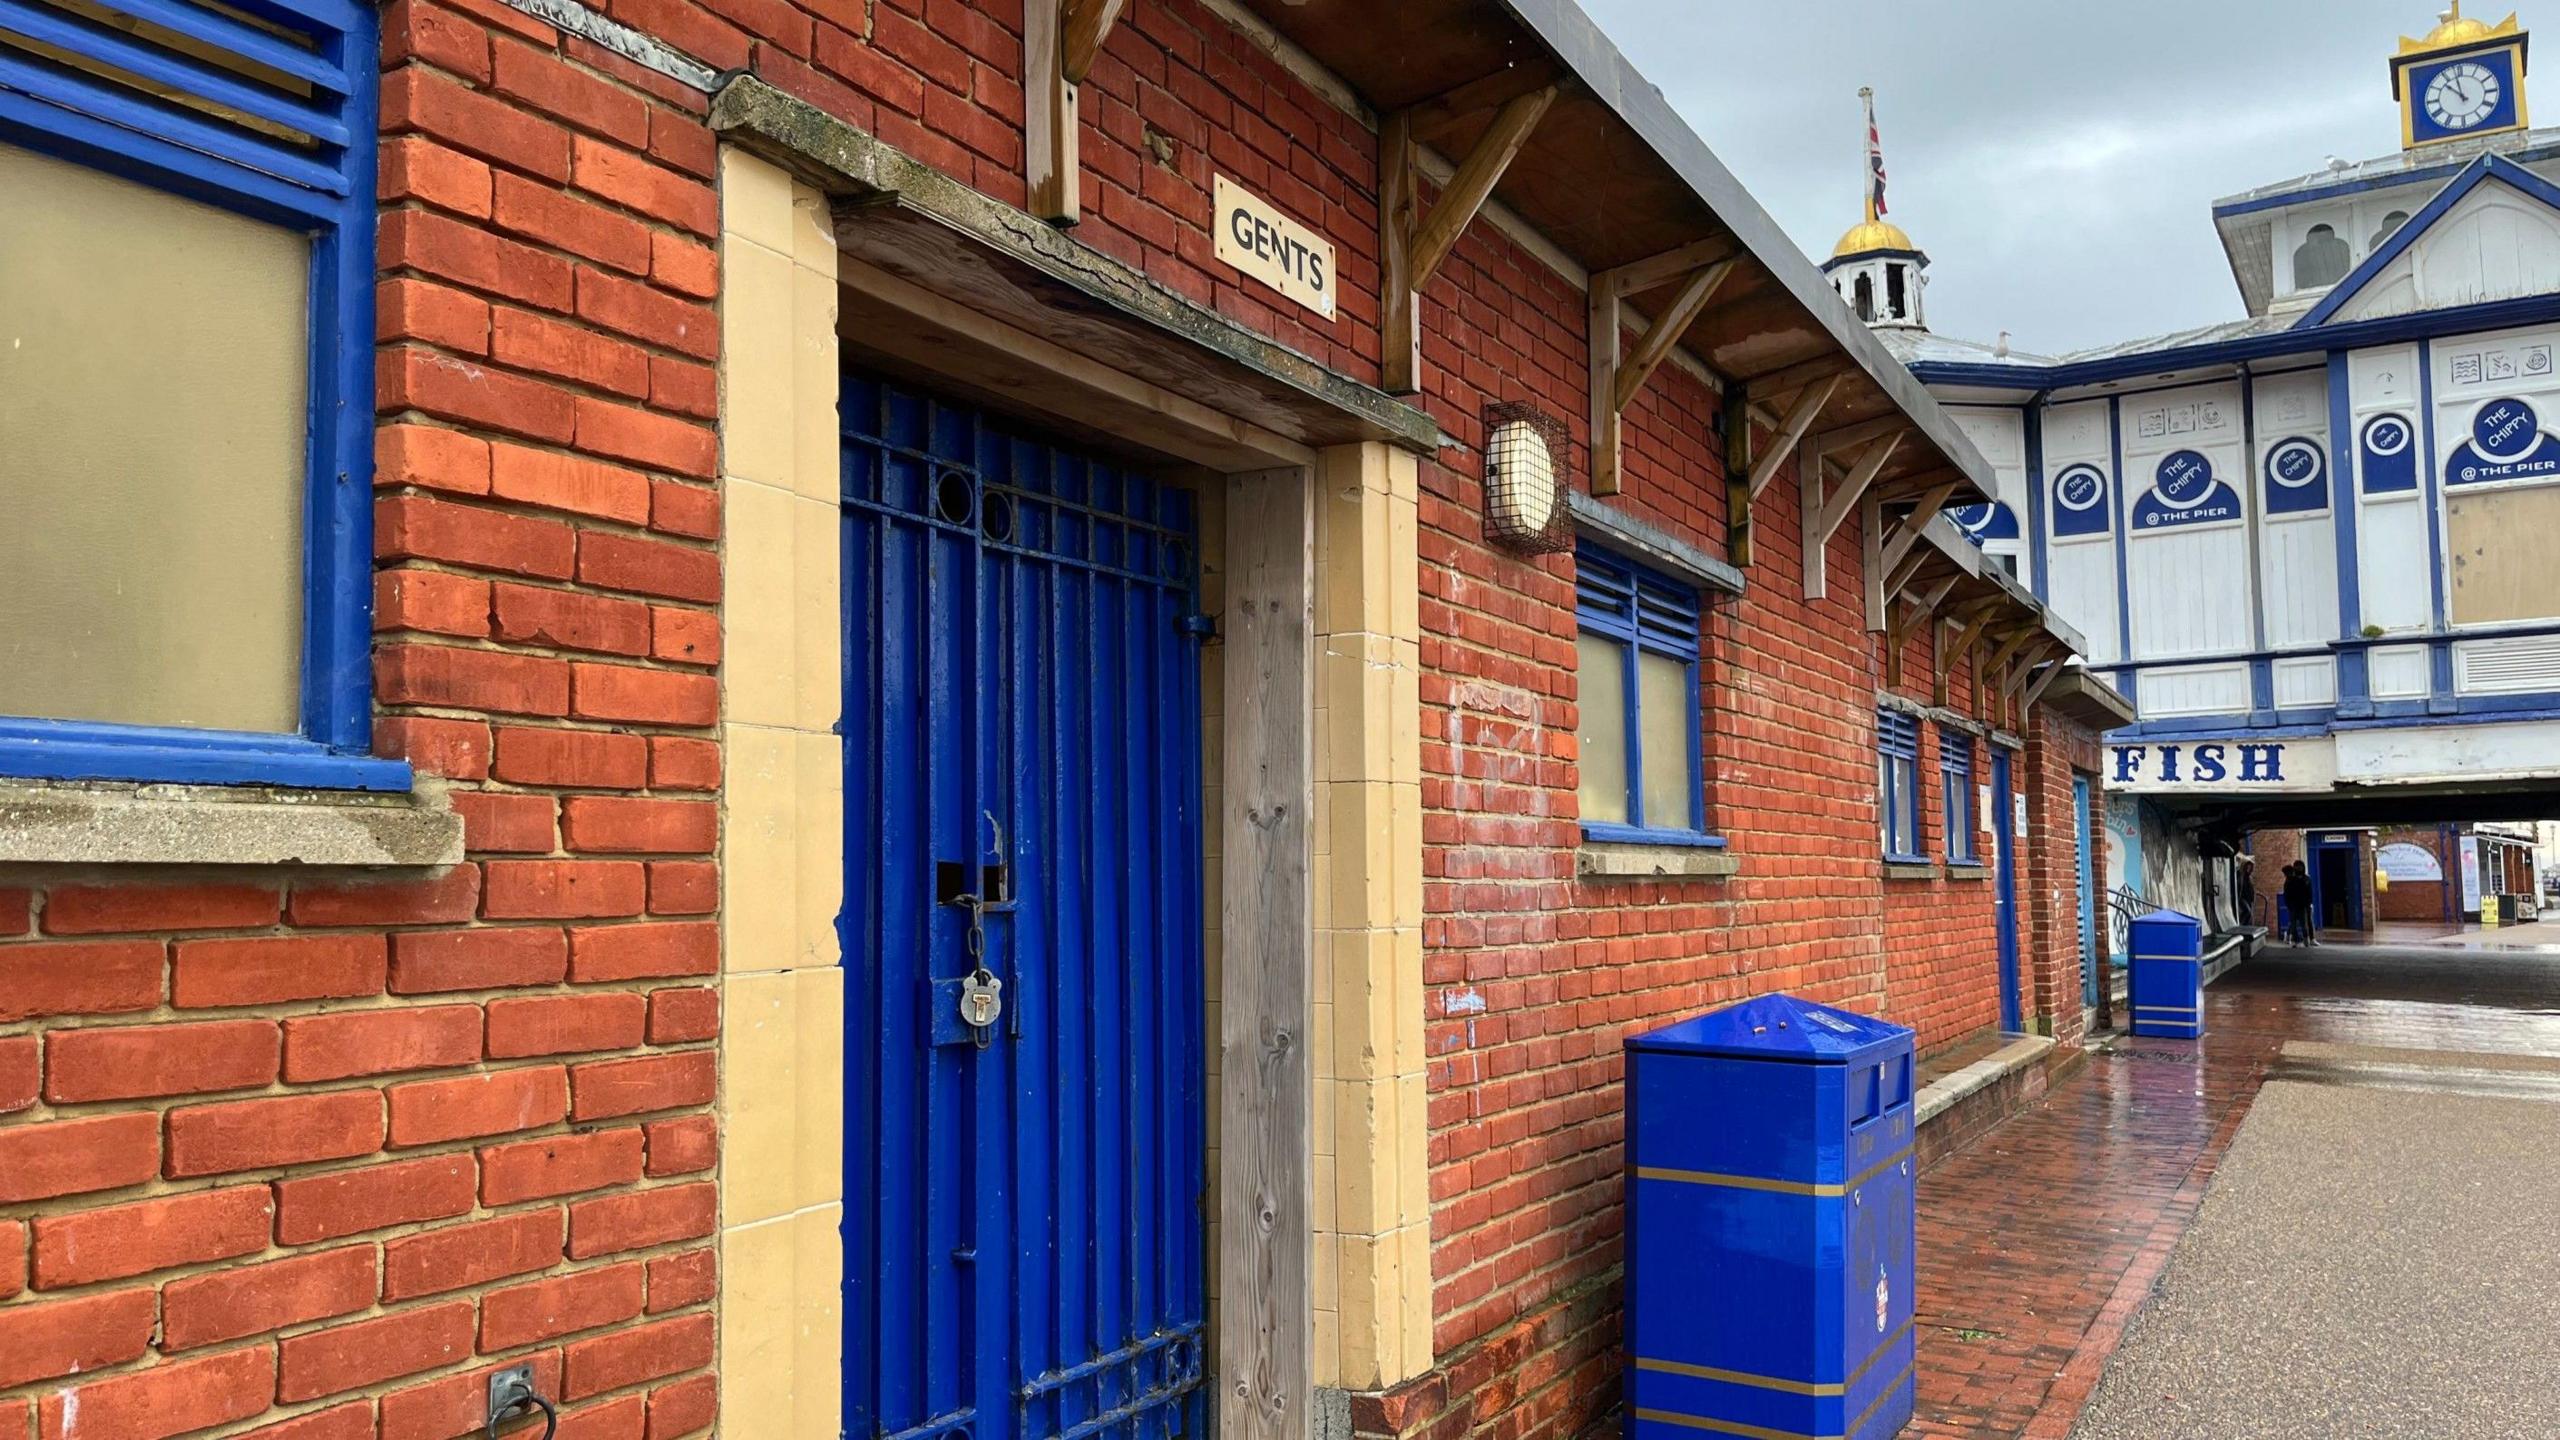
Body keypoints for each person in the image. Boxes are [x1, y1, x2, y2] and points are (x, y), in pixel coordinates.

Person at [2281, 861, 2316, 946]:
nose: (2298, 868)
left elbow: (2309, 892)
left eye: (2300, 866)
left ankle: (2307, 939)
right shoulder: (2292, 880)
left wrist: (2310, 903)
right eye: (2296, 866)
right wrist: (2289, 904)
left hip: (2303, 904)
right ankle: (2296, 939)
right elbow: (2288, 893)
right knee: (2295, 923)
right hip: (2295, 905)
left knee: (2304, 923)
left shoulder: (2306, 878)